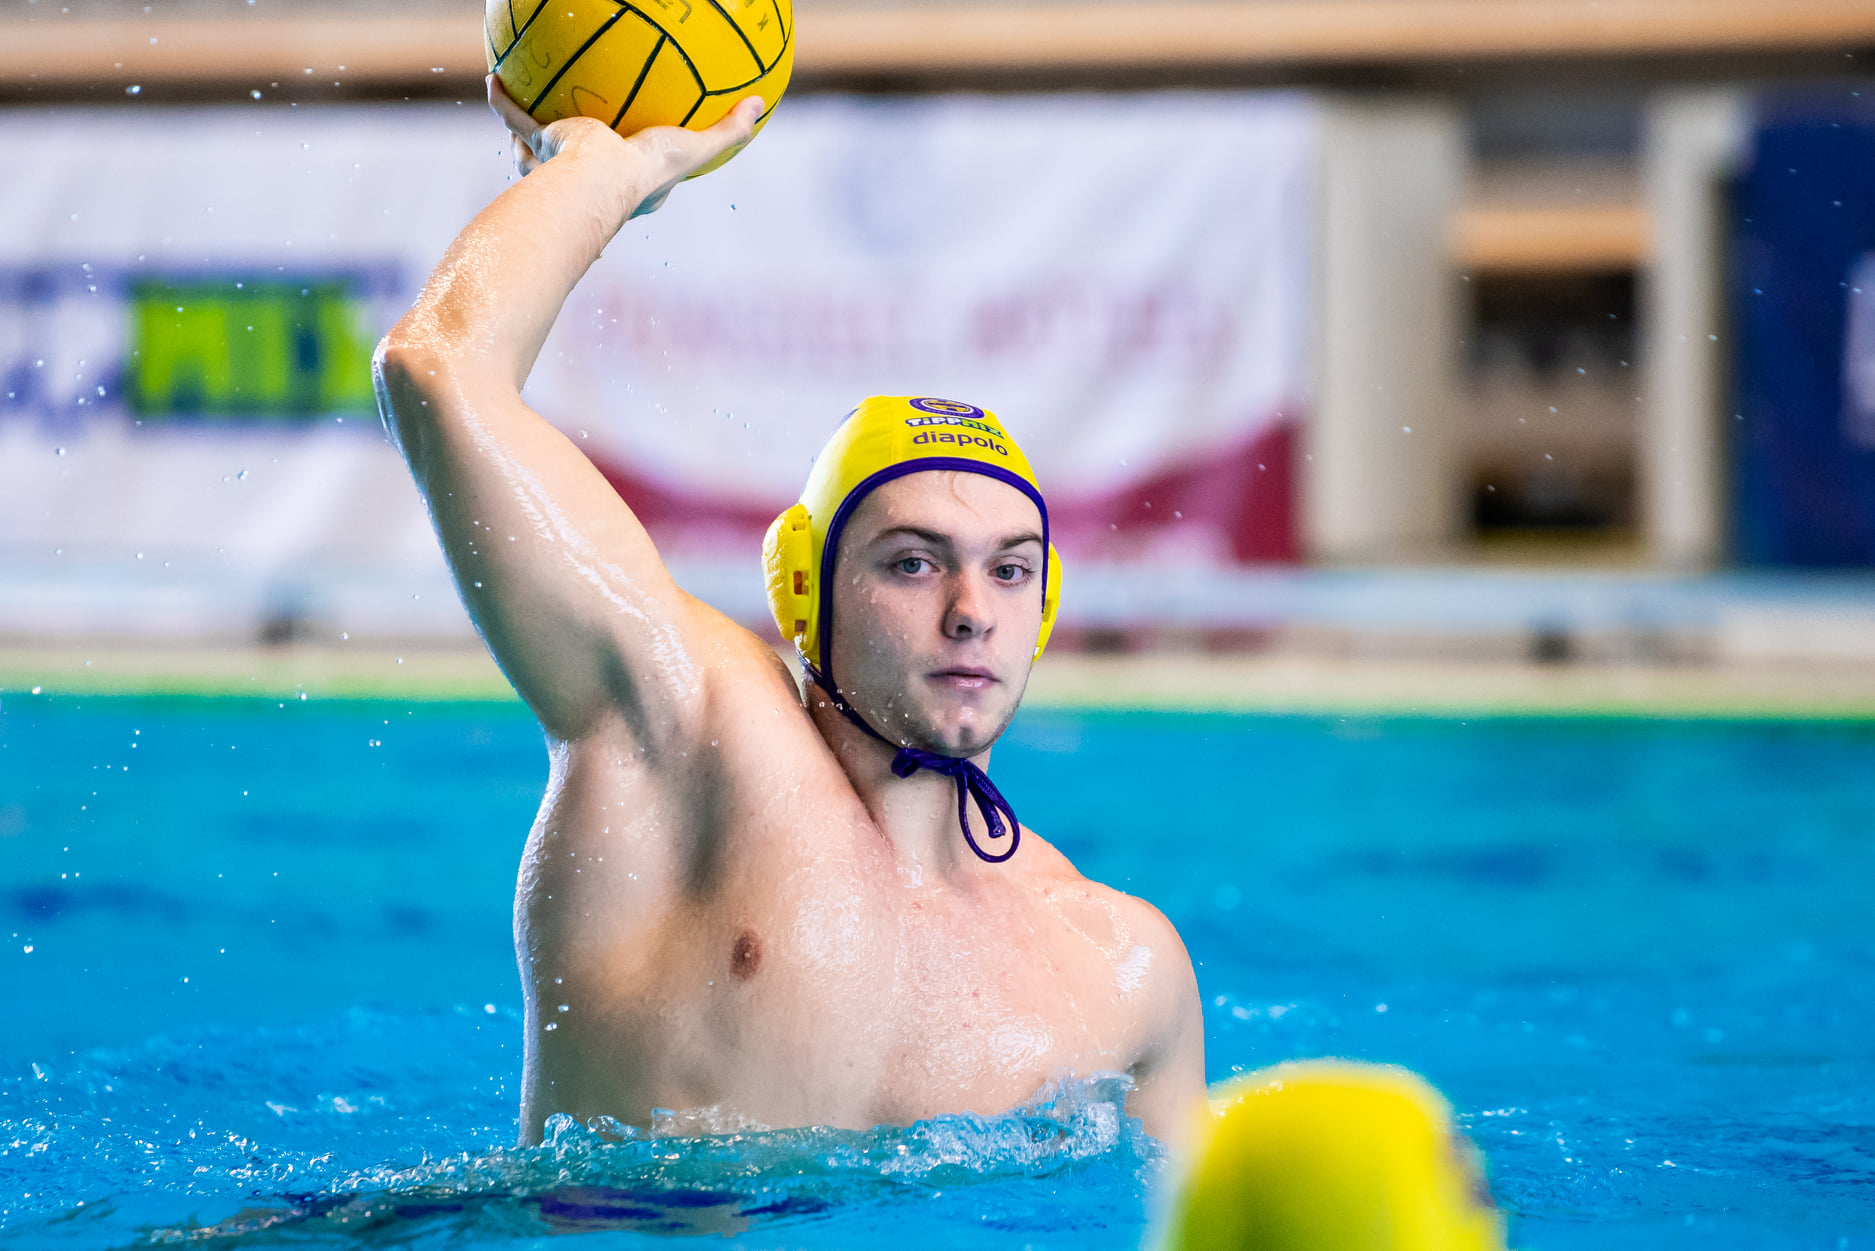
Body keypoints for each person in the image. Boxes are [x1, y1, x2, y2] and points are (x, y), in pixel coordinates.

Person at [371, 78, 1206, 1144]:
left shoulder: (1123, 970)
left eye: (1009, 571)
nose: (969, 612)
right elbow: (438, 371)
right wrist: (604, 175)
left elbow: (1187, 1213)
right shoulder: (687, 731)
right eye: (913, 564)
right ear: (803, 592)